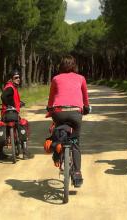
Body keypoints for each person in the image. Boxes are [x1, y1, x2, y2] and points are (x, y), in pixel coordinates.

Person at [47, 55, 90, 187]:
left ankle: (56, 149)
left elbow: (51, 97)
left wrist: (49, 107)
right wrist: (86, 108)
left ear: (60, 66)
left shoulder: (55, 78)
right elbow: (85, 98)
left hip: (58, 113)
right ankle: (77, 174)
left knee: (58, 131)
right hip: (75, 114)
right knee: (75, 143)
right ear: (74, 65)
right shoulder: (81, 78)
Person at [0, 69, 30, 160]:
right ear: (11, 79)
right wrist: (10, 106)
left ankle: (0, 152)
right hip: (11, 113)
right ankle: (25, 152)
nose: (18, 79)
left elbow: (12, 99)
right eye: (16, 77)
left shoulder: (13, 87)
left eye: (19, 77)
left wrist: (19, 103)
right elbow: (3, 96)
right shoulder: (10, 87)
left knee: (5, 131)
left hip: (5, 114)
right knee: (22, 125)